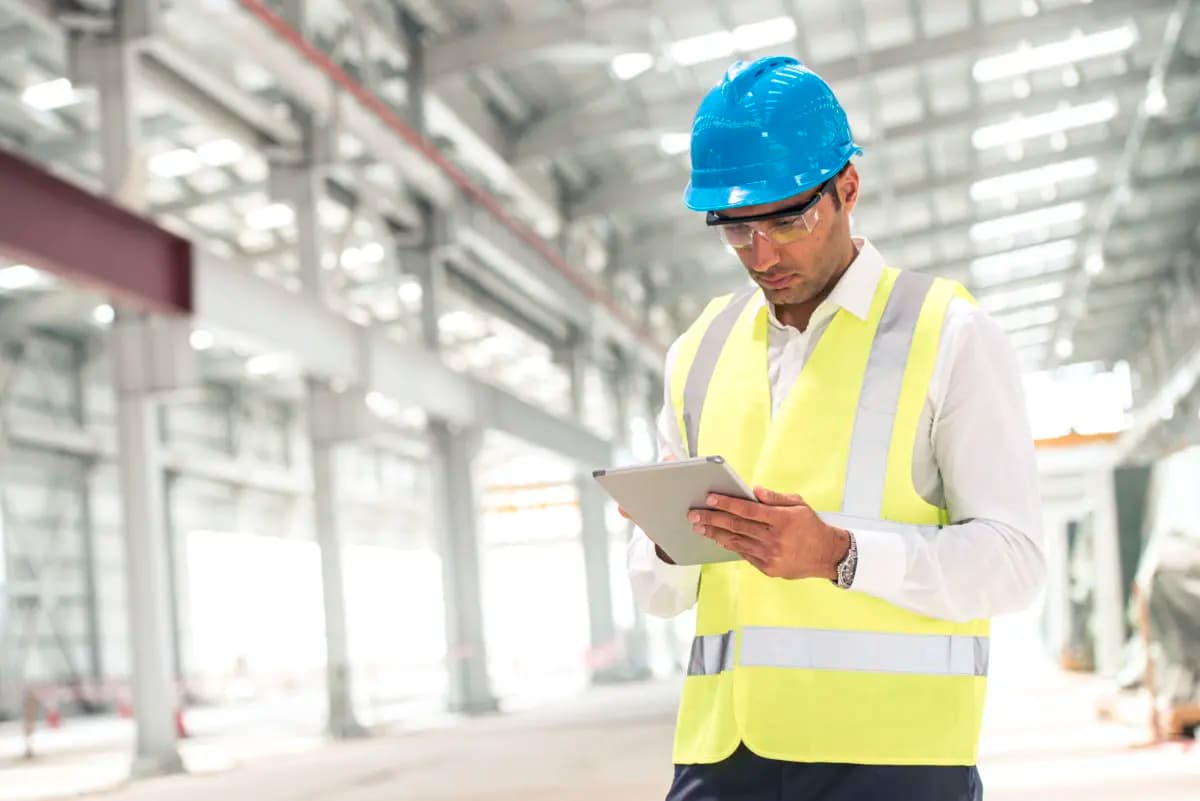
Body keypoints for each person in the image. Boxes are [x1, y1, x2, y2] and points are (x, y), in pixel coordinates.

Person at [625, 56, 1046, 801]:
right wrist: (665, 538)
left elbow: (1015, 562)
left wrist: (842, 555)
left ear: (847, 188)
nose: (762, 253)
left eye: (788, 218)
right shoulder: (699, 352)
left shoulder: (947, 335)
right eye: (735, 228)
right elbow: (660, 596)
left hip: (895, 762)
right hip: (724, 758)